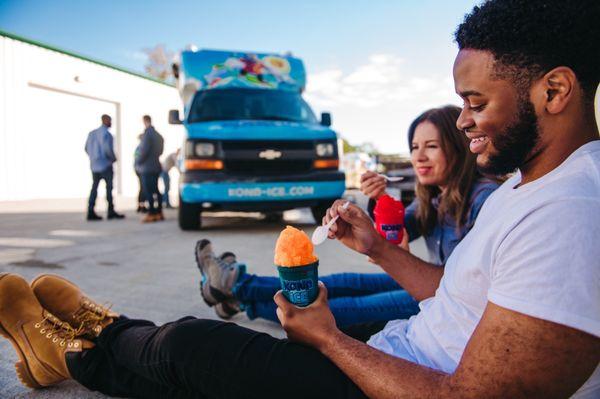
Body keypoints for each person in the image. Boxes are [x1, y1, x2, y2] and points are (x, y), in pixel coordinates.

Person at [0, 1, 598, 397]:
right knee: (215, 367)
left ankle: (77, 348)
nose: (464, 122)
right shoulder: (531, 182)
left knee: (194, 346)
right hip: (406, 353)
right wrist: (377, 248)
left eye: (476, 102)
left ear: (554, 90)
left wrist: (330, 340)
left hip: (407, 383)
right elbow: (457, 293)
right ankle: (86, 341)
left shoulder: (572, 212)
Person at [197, 105, 500, 325]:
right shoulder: (435, 196)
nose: (419, 156)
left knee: (342, 308)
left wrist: (391, 252)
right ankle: (234, 288)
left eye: (431, 146)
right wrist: (379, 200)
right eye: (414, 147)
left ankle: (236, 289)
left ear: (458, 148)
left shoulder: (484, 200)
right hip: (433, 284)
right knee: (343, 281)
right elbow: (394, 229)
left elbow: (465, 287)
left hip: (449, 301)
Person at [84, 114, 124, 221]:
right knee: (109, 189)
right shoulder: (107, 134)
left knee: (94, 188)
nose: (111, 123)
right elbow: (107, 150)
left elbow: (86, 148)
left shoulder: (92, 134)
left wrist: (93, 158)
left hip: (94, 166)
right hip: (105, 165)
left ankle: (90, 211)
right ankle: (110, 211)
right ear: (105, 120)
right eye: (110, 121)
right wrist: (113, 159)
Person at [135, 115, 164, 223]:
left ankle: (152, 213)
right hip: (156, 165)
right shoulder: (159, 136)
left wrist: (137, 162)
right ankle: (160, 212)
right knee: (156, 189)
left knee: (148, 191)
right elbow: (160, 152)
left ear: (145, 121)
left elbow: (143, 151)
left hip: (147, 167)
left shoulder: (147, 135)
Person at [134, 134, 147, 213]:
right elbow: (137, 159)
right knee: (143, 188)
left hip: (140, 170)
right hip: (140, 171)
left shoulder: (140, 148)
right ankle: (141, 205)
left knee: (142, 188)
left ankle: (141, 205)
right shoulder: (140, 148)